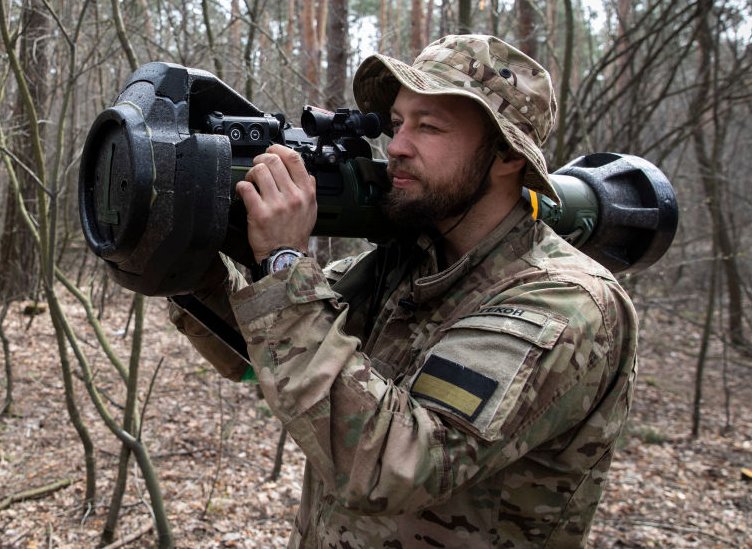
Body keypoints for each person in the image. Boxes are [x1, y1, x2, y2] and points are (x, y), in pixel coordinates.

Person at [170, 34, 637, 547]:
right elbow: (264, 355)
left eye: (429, 127)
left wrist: (286, 265)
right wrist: (184, 264)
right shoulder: (407, 263)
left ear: (506, 154)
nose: (396, 147)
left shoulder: (561, 303)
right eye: (396, 124)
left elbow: (396, 465)